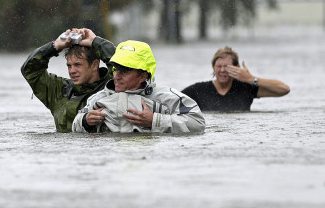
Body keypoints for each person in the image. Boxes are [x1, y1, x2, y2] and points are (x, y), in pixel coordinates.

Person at [72, 40, 205, 133]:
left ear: (143, 76)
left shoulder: (167, 97)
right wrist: (85, 121)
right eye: (116, 70)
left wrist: (155, 120)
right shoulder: (99, 97)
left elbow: (197, 123)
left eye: (124, 71)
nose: (116, 76)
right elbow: (75, 125)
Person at [21, 28, 115, 132]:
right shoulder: (60, 91)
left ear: (94, 65)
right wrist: (54, 46)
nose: (72, 71)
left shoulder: (112, 87)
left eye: (77, 65)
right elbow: (30, 71)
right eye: (69, 66)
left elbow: (123, 67)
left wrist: (96, 42)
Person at [181, 46, 290, 111]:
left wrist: (251, 79)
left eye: (227, 67)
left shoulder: (246, 88)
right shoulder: (199, 90)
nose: (222, 70)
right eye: (219, 66)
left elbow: (284, 89)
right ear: (213, 68)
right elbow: (171, 101)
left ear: (237, 68)